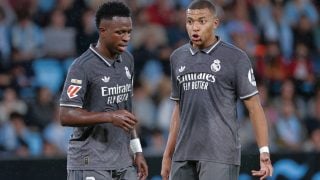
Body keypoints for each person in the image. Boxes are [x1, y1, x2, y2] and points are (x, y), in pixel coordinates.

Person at [161, 1, 273, 180]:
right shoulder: (178, 57)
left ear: (215, 24)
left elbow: (254, 107)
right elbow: (178, 110)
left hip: (219, 155)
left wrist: (264, 151)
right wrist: (167, 155)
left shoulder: (236, 58)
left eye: (201, 21)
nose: (195, 27)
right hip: (183, 154)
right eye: (190, 22)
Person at [59, 1, 148, 180]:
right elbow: (66, 115)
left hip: (123, 161)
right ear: (102, 31)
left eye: (129, 32)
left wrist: (137, 150)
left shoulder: (127, 60)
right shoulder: (82, 67)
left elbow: (126, 112)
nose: (126, 38)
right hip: (90, 162)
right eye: (120, 32)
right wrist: (109, 116)